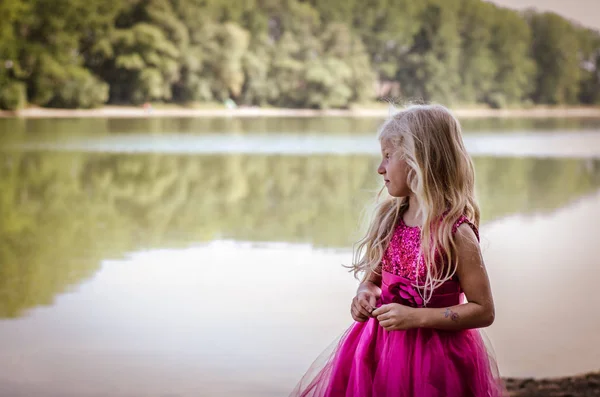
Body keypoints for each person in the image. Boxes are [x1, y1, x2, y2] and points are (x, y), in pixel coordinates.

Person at [290, 104, 505, 397]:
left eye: (388, 157)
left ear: (420, 161)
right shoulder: (390, 219)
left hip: (437, 360)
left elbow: (483, 310)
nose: (380, 169)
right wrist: (364, 295)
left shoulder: (456, 232)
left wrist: (417, 318)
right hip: (379, 349)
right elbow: (373, 280)